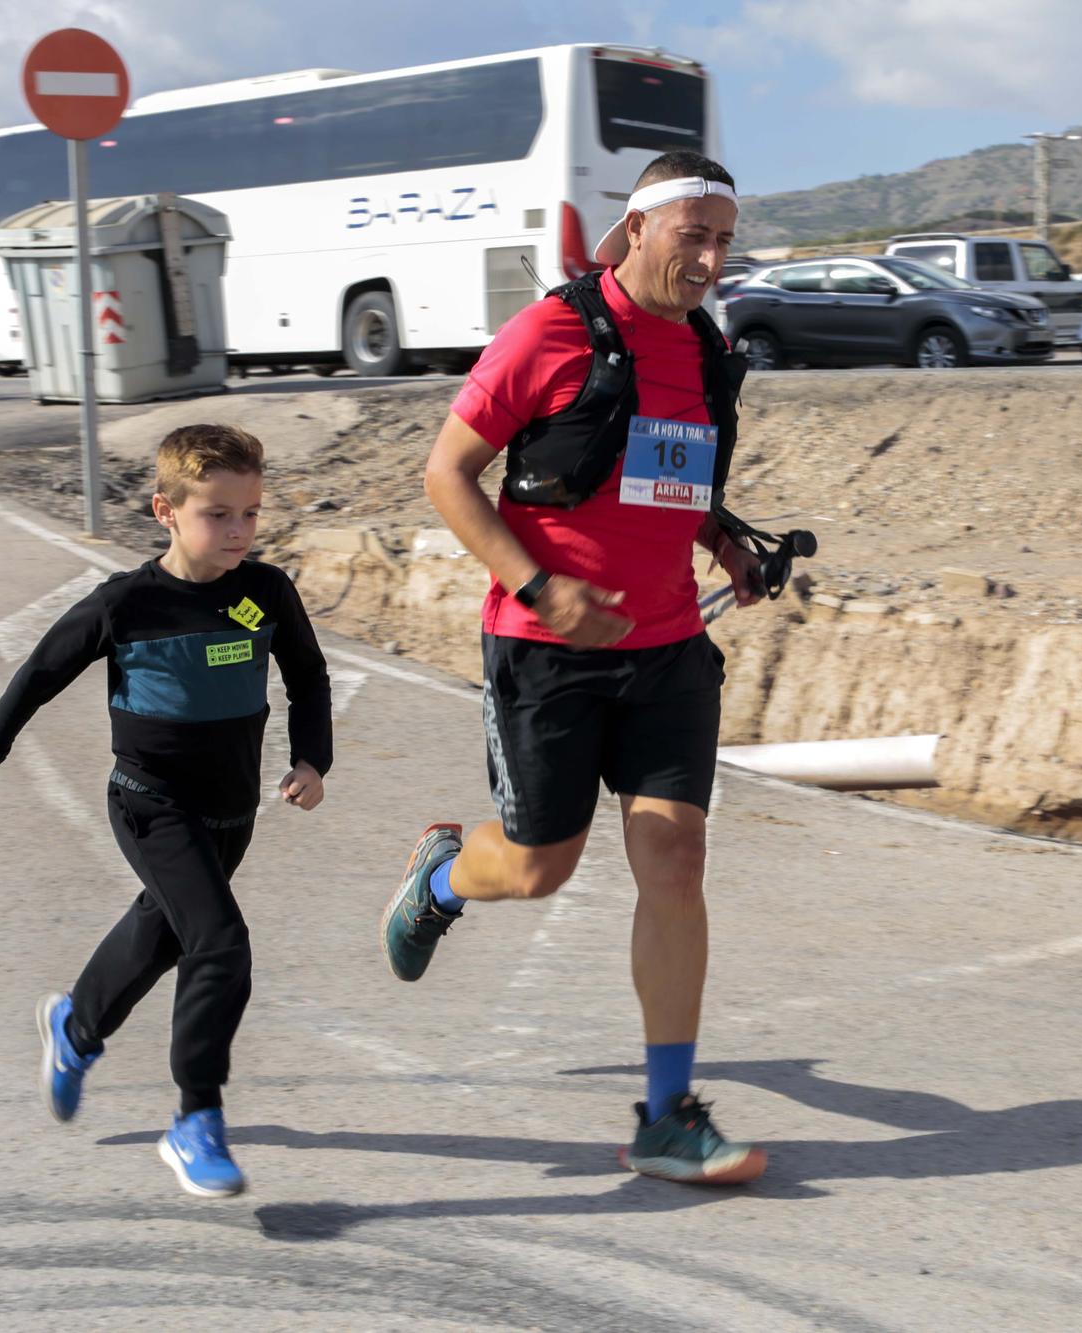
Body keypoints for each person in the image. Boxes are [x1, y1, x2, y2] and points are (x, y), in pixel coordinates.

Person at [379, 149, 770, 1184]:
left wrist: (723, 539)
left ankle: (665, 1113)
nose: (711, 258)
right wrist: (536, 582)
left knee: (673, 861)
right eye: (695, 235)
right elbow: (447, 474)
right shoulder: (550, 332)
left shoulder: (703, 349)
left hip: (667, 649)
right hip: (545, 650)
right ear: (636, 229)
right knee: (536, 868)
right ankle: (442, 873)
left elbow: (662, 479)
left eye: (725, 240)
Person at [0, 423, 332, 1199]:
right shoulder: (127, 603)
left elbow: (309, 675)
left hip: (232, 813)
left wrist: (312, 757)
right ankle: (196, 1118)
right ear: (165, 510)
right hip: (151, 802)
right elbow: (38, 675)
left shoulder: (262, 594)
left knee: (162, 932)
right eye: (217, 513)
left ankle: (75, 1027)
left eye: (250, 513)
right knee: (218, 944)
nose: (238, 531)